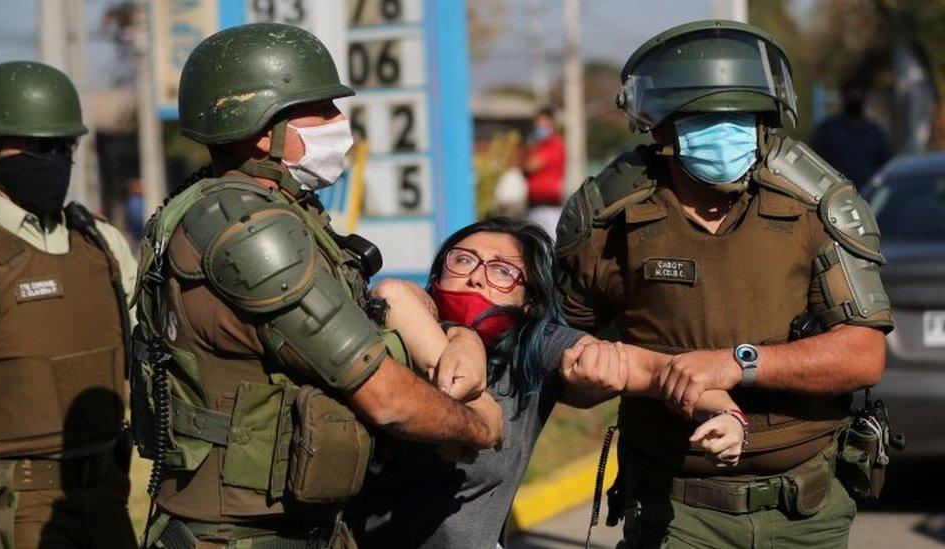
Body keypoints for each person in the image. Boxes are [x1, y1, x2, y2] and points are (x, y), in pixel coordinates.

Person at [130, 23, 503, 549]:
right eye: (323, 110)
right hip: (242, 534)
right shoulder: (249, 232)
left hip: (279, 525)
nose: (340, 123)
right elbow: (386, 398)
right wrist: (477, 425)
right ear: (262, 131)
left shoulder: (229, 207)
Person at [556, 20, 893, 549]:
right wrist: (589, 379)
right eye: (704, 118)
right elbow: (563, 349)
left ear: (766, 122)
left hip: (807, 509)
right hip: (674, 508)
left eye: (740, 117)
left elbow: (863, 353)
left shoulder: (816, 207)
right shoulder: (609, 217)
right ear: (663, 127)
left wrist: (739, 362)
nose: (725, 133)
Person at [347, 217, 748, 549]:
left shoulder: (535, 346)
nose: (476, 278)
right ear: (437, 275)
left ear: (529, 300)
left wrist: (726, 413)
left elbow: (663, 372)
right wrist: (461, 347)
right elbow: (394, 293)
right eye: (463, 260)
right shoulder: (394, 328)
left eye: (503, 271)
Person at [0, 61, 139, 548]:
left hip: (105, 498)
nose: (56, 159)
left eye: (65, 146)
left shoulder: (100, 242)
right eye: (40, 146)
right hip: (9, 510)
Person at [812, 79, 892, 189]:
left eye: (858, 94)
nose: (854, 98)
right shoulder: (828, 130)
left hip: (867, 194)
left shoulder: (874, 132)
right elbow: (816, 163)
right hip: (836, 193)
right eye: (851, 95)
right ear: (843, 97)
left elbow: (885, 166)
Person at [524, 107, 566, 239]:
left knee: (551, 244)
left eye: (542, 123)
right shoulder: (538, 145)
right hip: (534, 205)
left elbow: (531, 166)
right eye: (537, 124)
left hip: (549, 206)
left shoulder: (554, 144)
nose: (539, 127)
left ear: (552, 123)